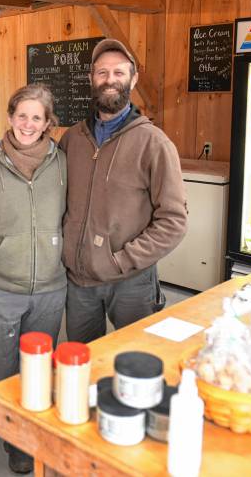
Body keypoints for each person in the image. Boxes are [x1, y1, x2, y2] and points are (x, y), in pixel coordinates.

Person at [0, 84, 66, 474]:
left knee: (39, 369)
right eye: (22, 115)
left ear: (47, 123)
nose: (28, 124)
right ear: (9, 117)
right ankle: (14, 442)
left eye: (37, 117)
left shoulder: (61, 162)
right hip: (0, 286)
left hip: (51, 287)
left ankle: (33, 435)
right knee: (3, 370)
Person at [59, 38, 188, 344]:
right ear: (92, 78)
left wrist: (121, 260)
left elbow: (174, 221)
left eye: (118, 72)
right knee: (83, 365)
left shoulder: (154, 143)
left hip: (132, 281)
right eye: (102, 73)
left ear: (133, 78)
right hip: (79, 281)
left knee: (135, 365)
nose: (110, 80)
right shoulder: (71, 140)